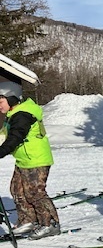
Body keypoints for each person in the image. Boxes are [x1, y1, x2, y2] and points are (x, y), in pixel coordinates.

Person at [0, 81, 60, 239]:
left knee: (35, 193)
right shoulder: (13, 114)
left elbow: (15, 137)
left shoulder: (23, 115)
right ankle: (28, 220)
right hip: (24, 160)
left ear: (11, 98)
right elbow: (4, 135)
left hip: (36, 159)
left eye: (0, 101)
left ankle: (50, 224)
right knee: (17, 190)